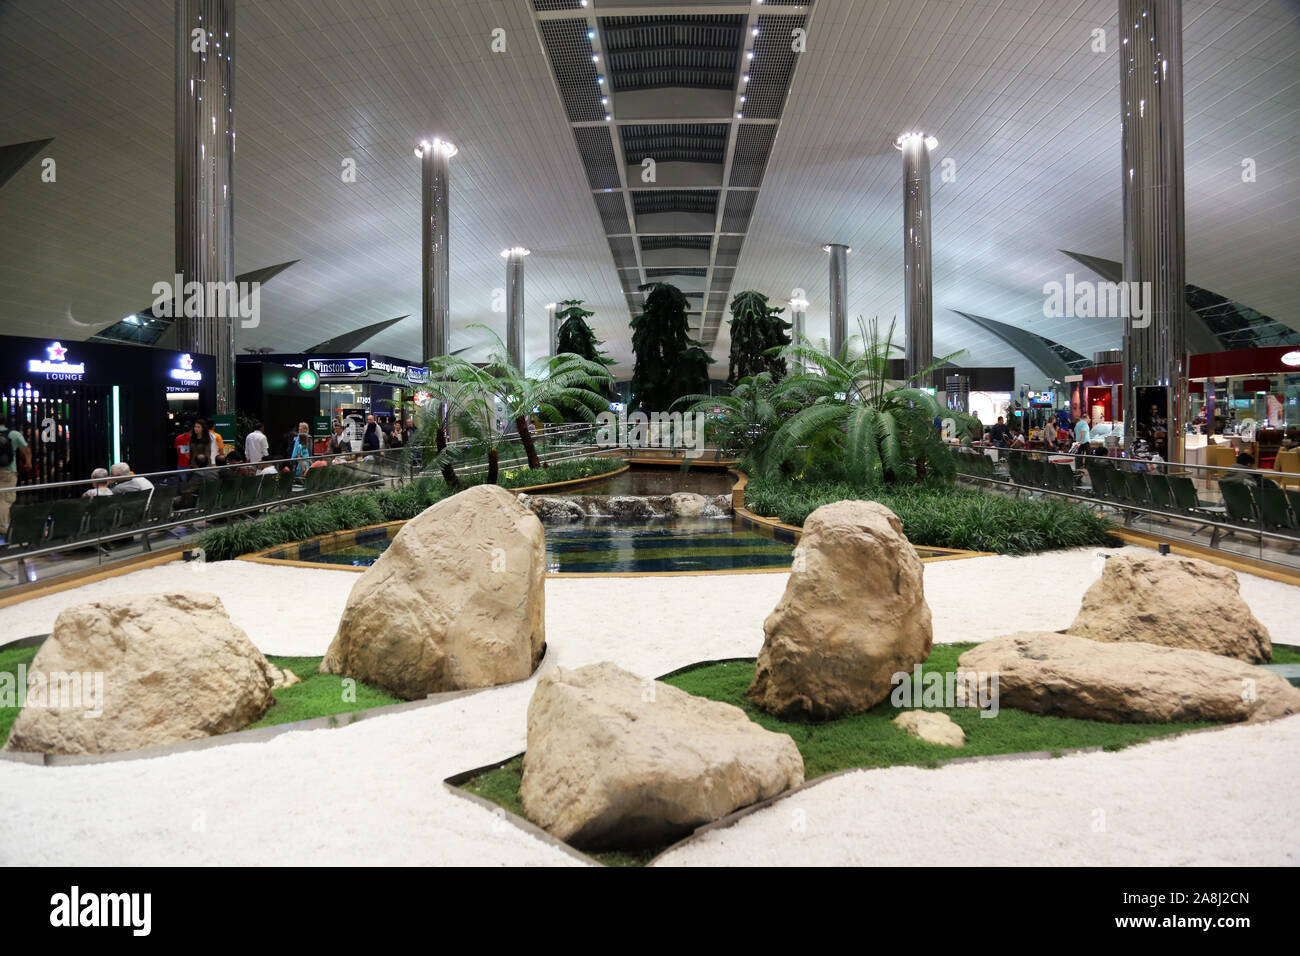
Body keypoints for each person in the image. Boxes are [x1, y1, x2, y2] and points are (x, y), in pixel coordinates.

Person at [0, 419, 32, 533]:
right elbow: (26, 450)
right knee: (5, 500)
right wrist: (28, 463)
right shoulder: (14, 434)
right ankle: (3, 528)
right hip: (8, 472)